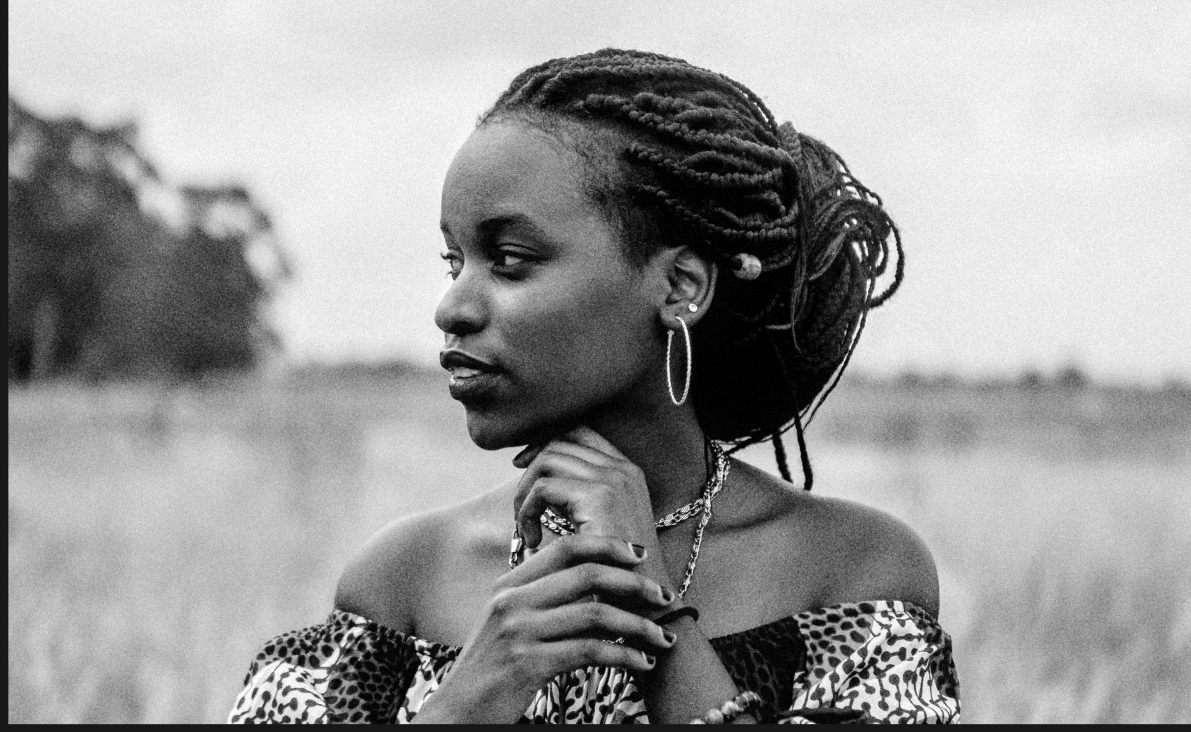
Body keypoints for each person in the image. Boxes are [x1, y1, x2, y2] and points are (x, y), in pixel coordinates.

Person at [228, 48, 960, 724]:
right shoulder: (404, 583)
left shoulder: (854, 571)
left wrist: (651, 607)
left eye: (509, 259)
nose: (454, 307)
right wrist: (477, 689)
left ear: (679, 285)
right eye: (456, 262)